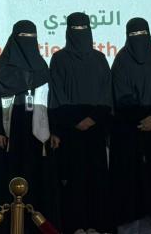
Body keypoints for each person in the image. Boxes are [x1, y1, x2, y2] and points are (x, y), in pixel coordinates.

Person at [0, 20, 59, 232]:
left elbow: (51, 102)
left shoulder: (42, 67)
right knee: (8, 189)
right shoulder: (3, 69)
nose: (28, 42)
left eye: (32, 37)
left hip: (37, 139)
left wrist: (54, 131)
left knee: (39, 187)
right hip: (10, 140)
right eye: (24, 37)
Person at [49, 12, 112, 233]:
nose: (79, 34)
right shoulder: (59, 59)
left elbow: (107, 93)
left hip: (95, 130)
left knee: (96, 179)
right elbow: (56, 94)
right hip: (69, 131)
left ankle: (96, 225)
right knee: (72, 179)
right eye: (75, 29)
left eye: (83, 29)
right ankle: (74, 226)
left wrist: (93, 118)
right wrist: (75, 120)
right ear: (68, 31)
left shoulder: (100, 59)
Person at [110, 18, 151, 234]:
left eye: (142, 34)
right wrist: (146, 118)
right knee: (130, 182)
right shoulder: (121, 63)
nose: (139, 40)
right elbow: (121, 97)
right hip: (128, 133)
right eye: (134, 35)